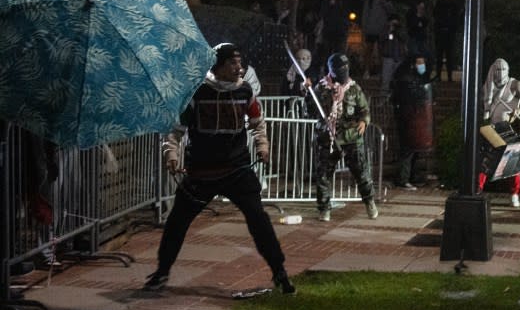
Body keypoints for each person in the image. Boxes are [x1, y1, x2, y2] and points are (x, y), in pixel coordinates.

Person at [144, 43, 294, 295]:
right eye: (233, 63)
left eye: (240, 62)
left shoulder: (245, 91)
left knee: (259, 220)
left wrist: (263, 146)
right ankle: (162, 271)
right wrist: (170, 153)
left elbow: (259, 123)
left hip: (238, 169)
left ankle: (279, 271)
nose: (240, 68)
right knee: (177, 222)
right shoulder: (197, 92)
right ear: (219, 66)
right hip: (202, 172)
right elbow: (175, 129)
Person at [312, 52, 378, 222]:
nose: (344, 71)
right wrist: (307, 91)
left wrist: (364, 121)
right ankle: (324, 209)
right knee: (324, 175)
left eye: (346, 67)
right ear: (331, 70)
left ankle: (369, 201)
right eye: (340, 68)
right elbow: (310, 109)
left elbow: (364, 110)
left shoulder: (354, 89)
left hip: (351, 137)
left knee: (361, 172)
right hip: (328, 137)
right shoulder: (320, 89)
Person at [478, 58, 520, 207]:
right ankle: (478, 190)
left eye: (503, 70)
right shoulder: (488, 87)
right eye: (498, 70)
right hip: (492, 129)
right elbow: (482, 107)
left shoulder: (515, 85)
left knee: (513, 162)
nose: (501, 73)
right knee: (485, 161)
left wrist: (519, 110)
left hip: (510, 128)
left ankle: (514, 194)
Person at [391, 53, 434, 190]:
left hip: (417, 120)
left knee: (414, 150)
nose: (422, 66)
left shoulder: (417, 78)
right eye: (419, 63)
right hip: (408, 120)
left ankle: (411, 177)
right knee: (407, 150)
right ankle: (403, 179)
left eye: (423, 62)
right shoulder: (406, 80)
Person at [361, 0, 394, 78]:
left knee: (381, 51)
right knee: (369, 50)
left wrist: (384, 2)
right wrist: (364, 28)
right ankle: (367, 70)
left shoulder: (386, 0)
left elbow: (391, 12)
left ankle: (381, 72)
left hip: (382, 30)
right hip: (371, 29)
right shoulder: (370, 0)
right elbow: (365, 14)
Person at [315, 0, 349, 75]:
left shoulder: (343, 2)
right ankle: (326, 70)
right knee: (327, 51)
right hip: (328, 30)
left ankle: (337, 71)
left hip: (339, 31)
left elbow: (345, 15)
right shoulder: (326, 1)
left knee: (338, 51)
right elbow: (322, 13)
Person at [432, 0, 460, 82]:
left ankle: (449, 76)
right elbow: (436, 16)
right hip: (440, 33)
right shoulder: (439, 5)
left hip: (450, 34)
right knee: (439, 55)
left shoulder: (454, 6)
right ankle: (438, 75)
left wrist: (452, 28)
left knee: (449, 56)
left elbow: (456, 19)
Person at [281, 48, 317, 118]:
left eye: (304, 58)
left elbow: (314, 89)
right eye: (298, 58)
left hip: (307, 108)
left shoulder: (312, 73)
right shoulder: (290, 73)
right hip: (292, 107)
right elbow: (284, 91)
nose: (300, 61)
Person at [380, 14, 407, 93]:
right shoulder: (385, 29)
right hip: (388, 57)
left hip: (399, 58)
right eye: (392, 22)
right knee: (386, 80)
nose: (394, 24)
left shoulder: (402, 29)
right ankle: (383, 99)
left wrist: (397, 31)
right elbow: (382, 39)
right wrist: (390, 31)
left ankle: (397, 99)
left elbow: (404, 38)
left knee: (398, 80)